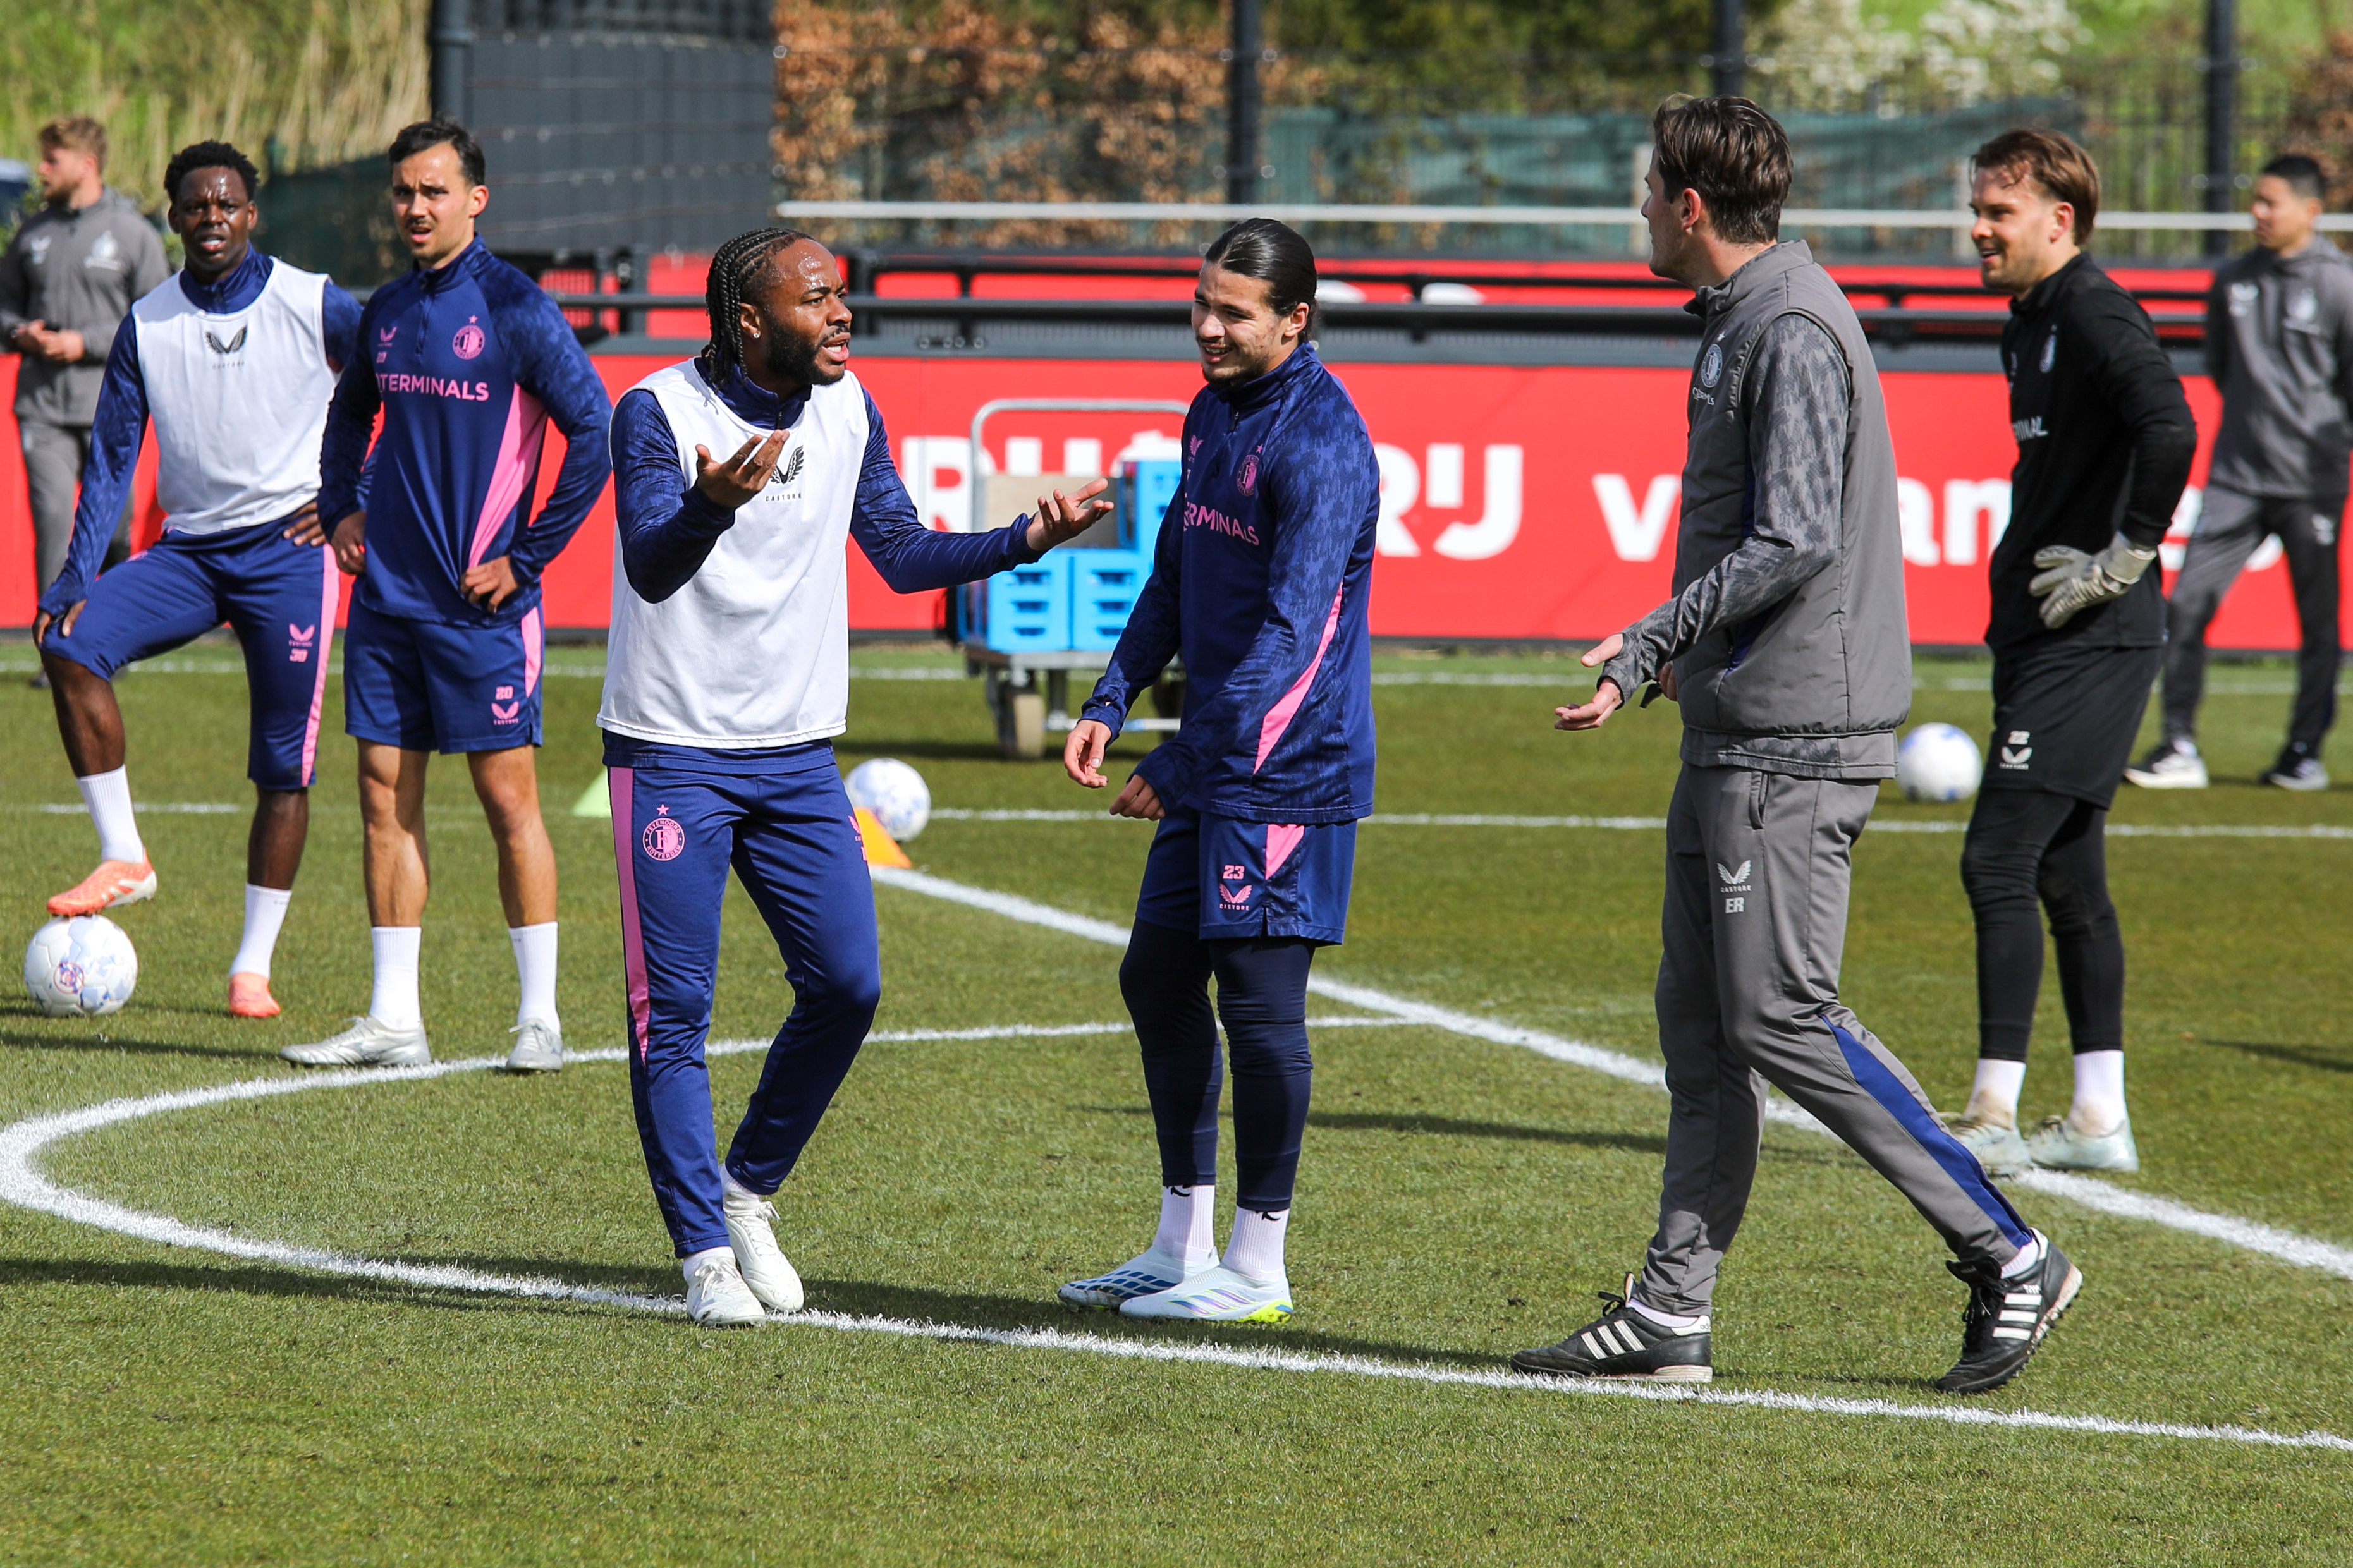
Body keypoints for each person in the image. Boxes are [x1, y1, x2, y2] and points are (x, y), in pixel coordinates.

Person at [1515, 98, 2079, 1397]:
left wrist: (1650, 633)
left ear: (1692, 208)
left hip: (1795, 729)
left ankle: (2011, 1250)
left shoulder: (1789, 327)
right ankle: (1671, 1310)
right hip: (1738, 723)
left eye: (1649, 193)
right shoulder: (1753, 317)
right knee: (1703, 1028)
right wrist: (1661, 668)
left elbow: (1794, 539)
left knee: (1779, 1011)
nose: (1641, 213)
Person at [603, 226, 1111, 1325]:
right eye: (817, 298)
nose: (842, 314)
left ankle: (746, 1192)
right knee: (673, 1017)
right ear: (748, 320)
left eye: (842, 296)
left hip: (795, 758)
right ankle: (701, 1259)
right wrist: (709, 506)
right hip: (672, 752)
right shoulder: (657, 412)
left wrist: (1024, 537)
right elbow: (649, 565)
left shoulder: (846, 405)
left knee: (847, 985)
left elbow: (899, 550)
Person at [1058, 218, 1380, 1327]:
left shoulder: (1324, 443)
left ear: (1295, 320)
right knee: (1153, 979)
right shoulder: (1209, 412)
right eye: (1201, 303)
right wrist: (1111, 694)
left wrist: (1186, 755)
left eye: (1233, 312)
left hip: (1288, 769)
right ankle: (1177, 1243)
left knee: (1258, 1009)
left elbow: (1292, 638)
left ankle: (1259, 1262)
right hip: (1217, 765)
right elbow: (1172, 579)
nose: (1206, 326)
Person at [281, 117, 612, 1074]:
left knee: (508, 802)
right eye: (403, 193)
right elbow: (349, 416)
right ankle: (395, 1021)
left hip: (484, 610)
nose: (415, 208)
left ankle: (539, 1018)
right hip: (386, 602)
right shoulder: (384, 308)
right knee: (384, 797)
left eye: (434, 191)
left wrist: (528, 558)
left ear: (476, 199)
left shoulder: (517, 310)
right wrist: (342, 507)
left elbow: (591, 432)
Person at [33, 142, 358, 1018]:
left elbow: (391, 386)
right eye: (195, 205)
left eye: (228, 204)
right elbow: (110, 457)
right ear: (172, 219)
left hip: (290, 552)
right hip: (189, 554)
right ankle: (125, 857)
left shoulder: (315, 300)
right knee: (67, 642)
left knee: (282, 768)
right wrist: (72, 575)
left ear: (251, 214)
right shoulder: (149, 320)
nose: (211, 217)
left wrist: (347, 499)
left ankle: (251, 965)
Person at [1941, 129, 2197, 1179]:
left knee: (1995, 857)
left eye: (1998, 212)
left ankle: (1990, 1112)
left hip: (2094, 638)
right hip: (2044, 635)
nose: (1978, 227)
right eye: (1979, 208)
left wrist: (2124, 556)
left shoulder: (2093, 311)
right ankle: (2098, 1120)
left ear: (2061, 220)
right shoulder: (2030, 321)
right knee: (2062, 872)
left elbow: (2170, 425)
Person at [2128, 153, 2353, 793]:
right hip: (2233, 481)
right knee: (2187, 606)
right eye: (2253, 200)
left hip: (2311, 484)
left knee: (2316, 625)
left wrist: (2323, 446)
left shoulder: (2338, 285)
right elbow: (2222, 369)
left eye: (2269, 202)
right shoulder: (2230, 280)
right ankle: (2176, 745)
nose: (2256, 213)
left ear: (2309, 212)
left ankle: (2301, 753)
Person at [2, 118, 169, 684]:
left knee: (115, 530)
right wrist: (21, 333)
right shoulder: (32, 233)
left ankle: (107, 637)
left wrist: (86, 341)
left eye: (52, 160)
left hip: (111, 408)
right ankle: (59, 657)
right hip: (42, 409)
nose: (42, 170)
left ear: (86, 165)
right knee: (53, 522)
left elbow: (156, 317)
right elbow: (3, 309)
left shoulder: (133, 234)